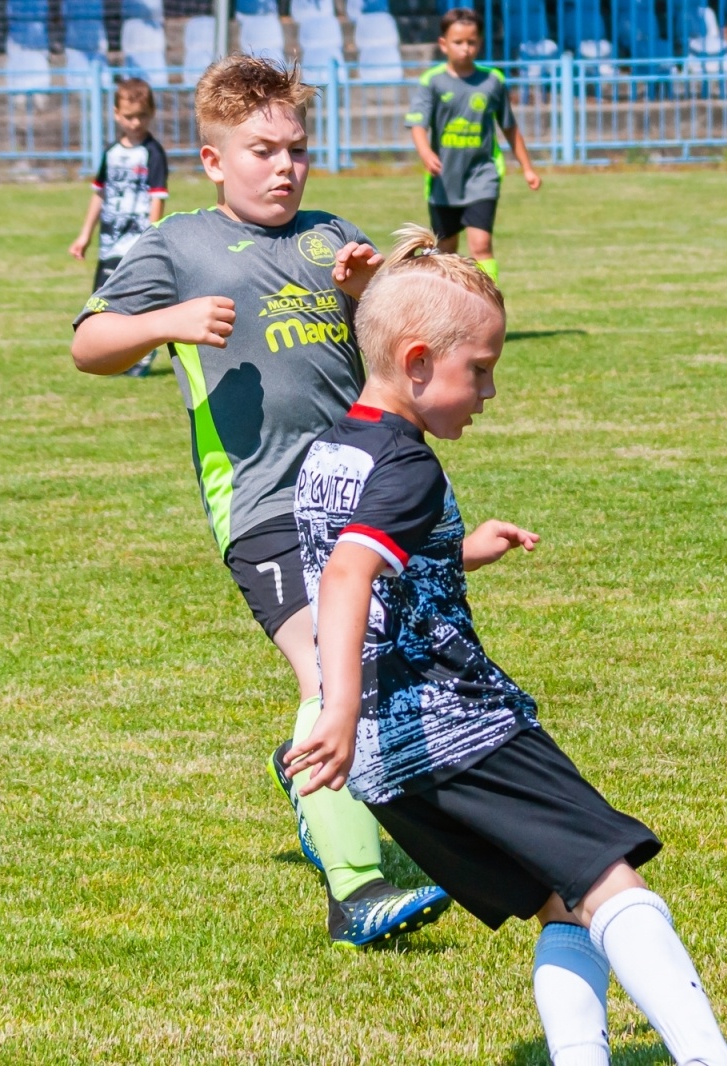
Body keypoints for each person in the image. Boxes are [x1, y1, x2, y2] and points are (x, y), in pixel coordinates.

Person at [286, 227, 727, 1066]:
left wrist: (454, 548)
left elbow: (362, 558)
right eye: (480, 370)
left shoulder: (332, 450)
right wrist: (337, 705)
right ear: (417, 362)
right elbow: (348, 574)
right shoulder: (408, 467)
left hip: (392, 768)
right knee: (611, 881)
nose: (489, 391)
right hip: (461, 733)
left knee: (562, 907)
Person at [70, 58, 452, 948]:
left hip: (360, 495)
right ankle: (357, 890)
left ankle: (312, 774)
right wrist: (163, 324)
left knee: (376, 667)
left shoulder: (331, 237)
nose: (284, 167)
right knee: (329, 672)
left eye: (297, 150)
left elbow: (398, 349)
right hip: (264, 505)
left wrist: (370, 292)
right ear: (211, 158)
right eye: (261, 150)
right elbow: (91, 344)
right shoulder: (177, 245)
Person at [405, 7, 541, 284]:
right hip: (444, 181)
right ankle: (449, 313)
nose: (465, 48)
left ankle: (489, 310)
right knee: (445, 251)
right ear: (444, 44)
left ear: (479, 43)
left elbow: (509, 127)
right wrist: (426, 152)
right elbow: (418, 124)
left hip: (482, 176)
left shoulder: (492, 81)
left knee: (481, 247)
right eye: (458, 42)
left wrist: (528, 168)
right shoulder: (433, 81)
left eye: (471, 42)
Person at [68, 78, 170, 378]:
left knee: (138, 302)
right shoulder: (111, 152)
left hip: (137, 243)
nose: (135, 122)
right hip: (110, 242)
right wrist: (85, 234)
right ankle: (109, 356)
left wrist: (151, 238)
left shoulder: (153, 153)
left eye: (141, 116)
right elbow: (99, 194)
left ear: (151, 114)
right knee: (101, 301)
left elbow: (157, 198)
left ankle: (141, 357)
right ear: (116, 114)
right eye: (128, 116)